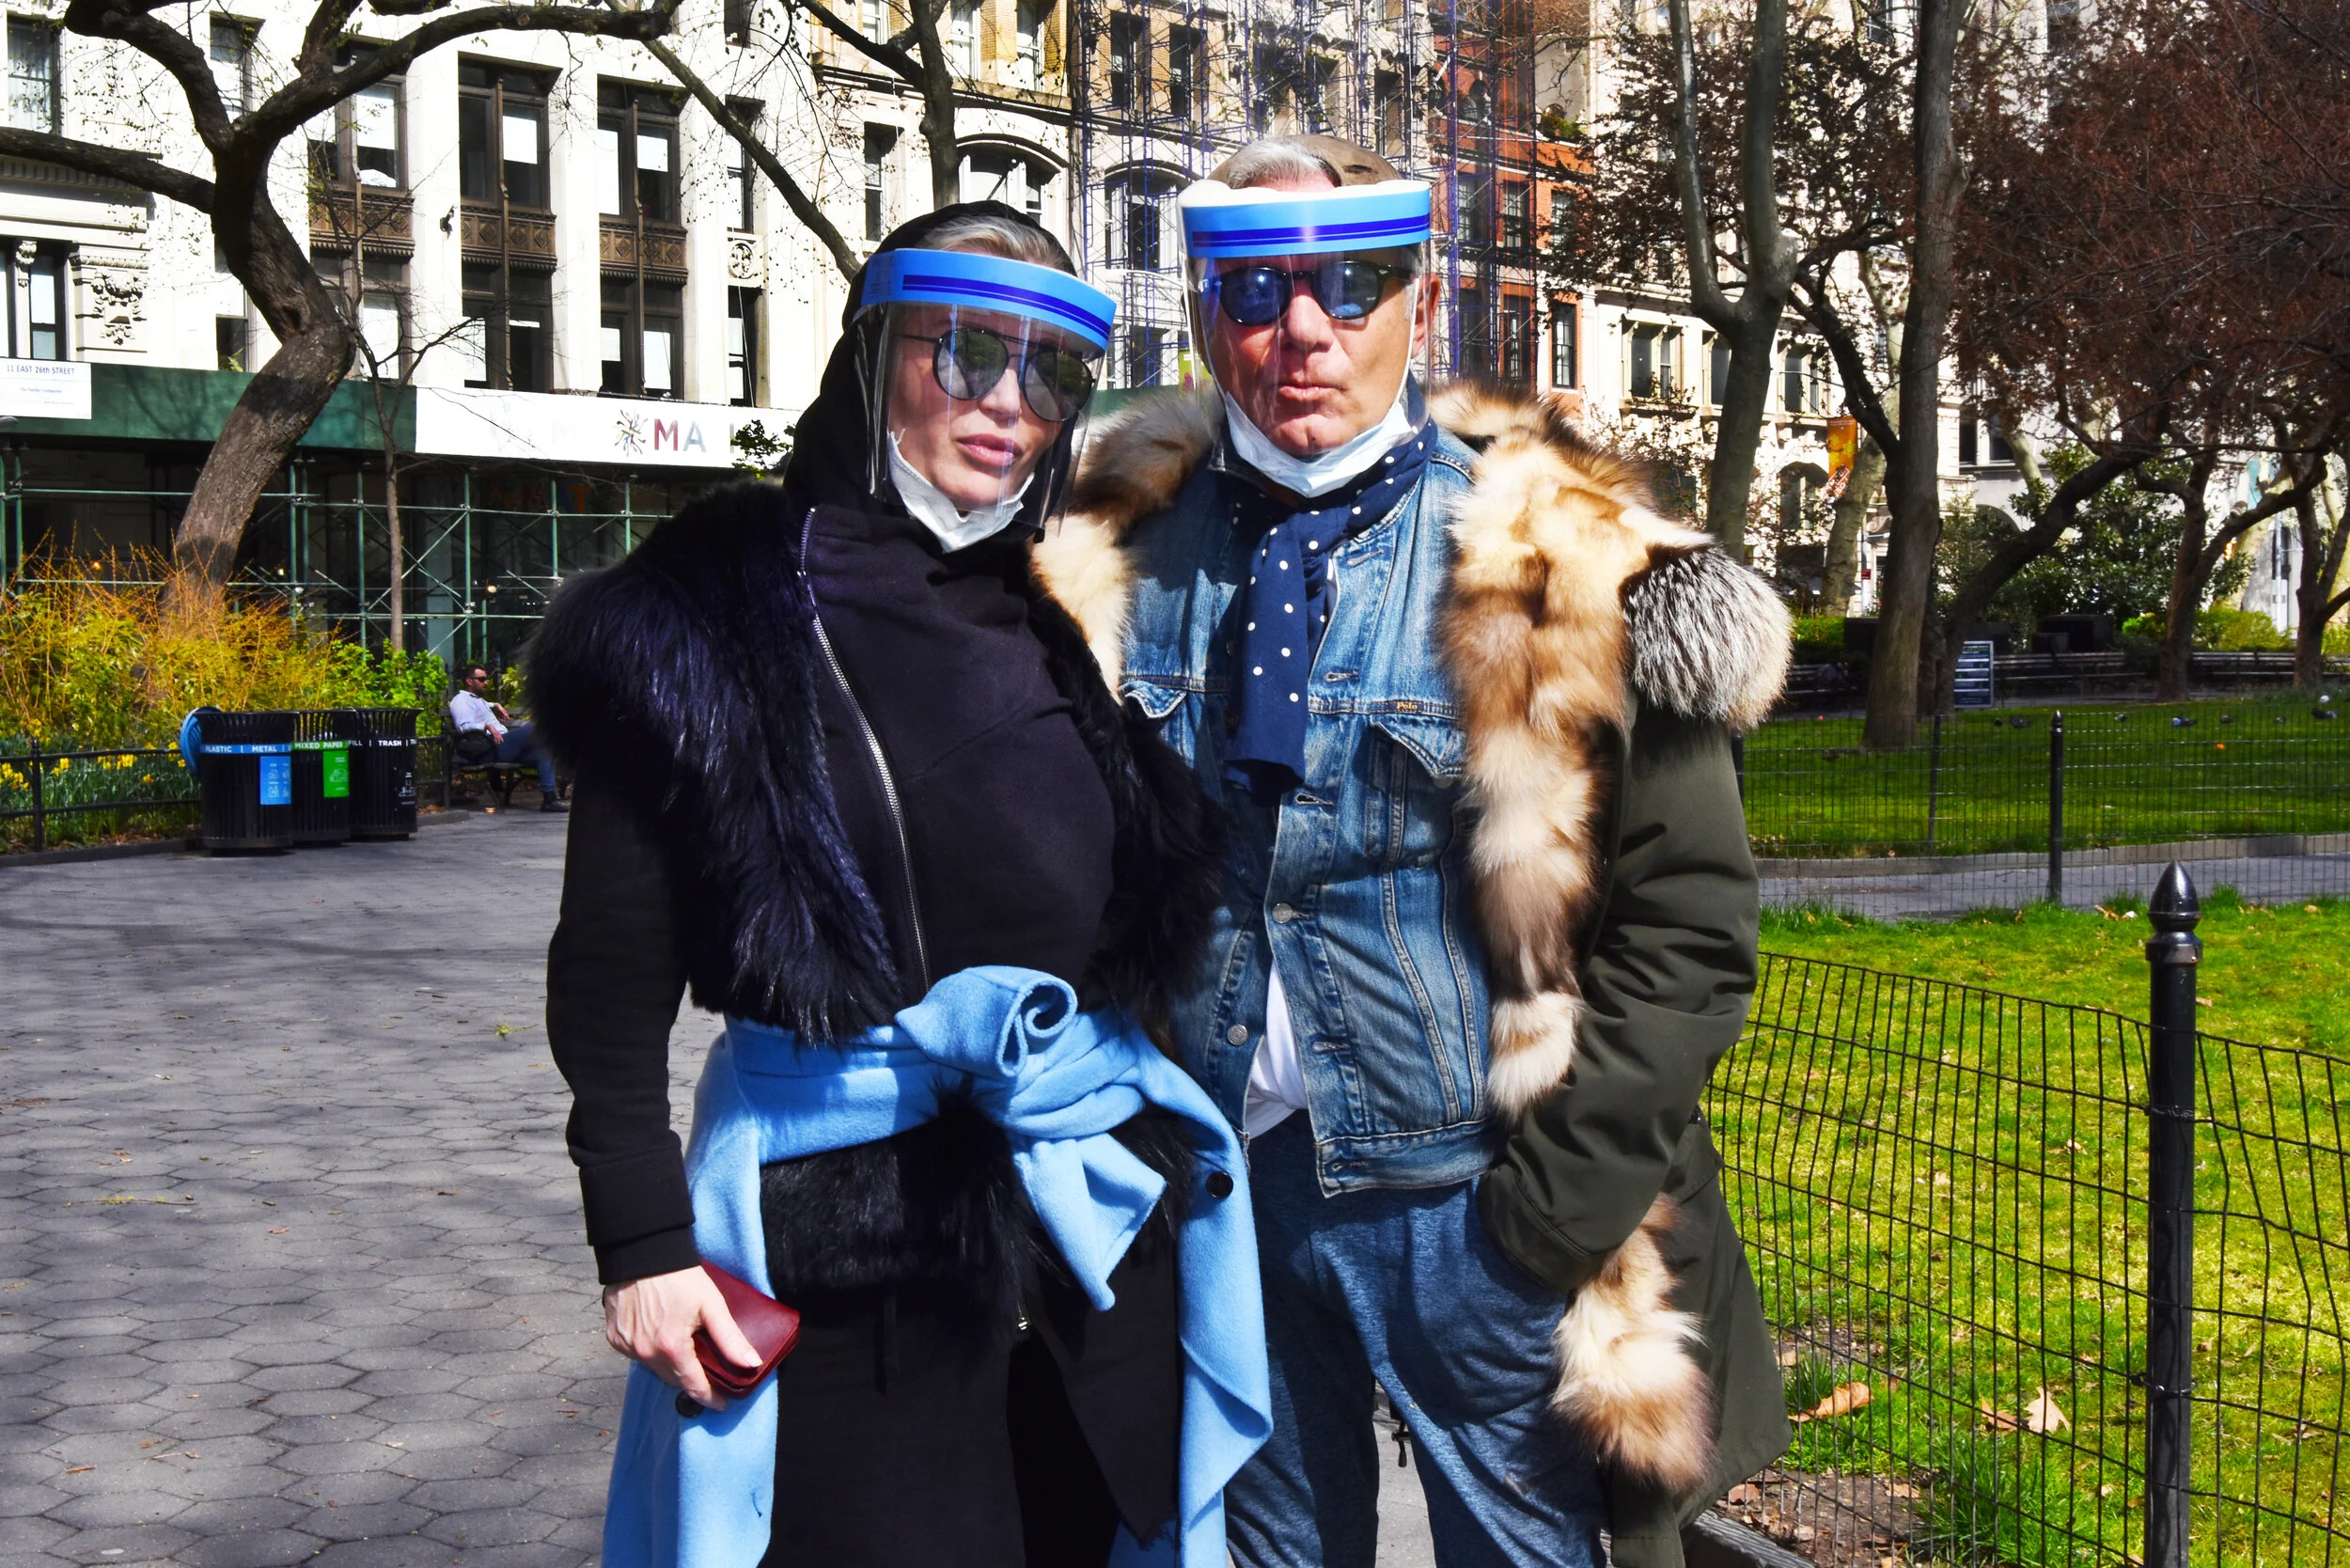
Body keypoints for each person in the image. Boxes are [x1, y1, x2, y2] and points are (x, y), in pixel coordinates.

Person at [1037, 134, 1794, 1568]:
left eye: (1351, 284)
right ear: (1204, 315)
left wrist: (1553, 1209)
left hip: (1477, 1211)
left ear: (1421, 302)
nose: (1302, 332)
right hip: (1227, 1204)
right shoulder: (1115, 553)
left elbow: (1689, 927)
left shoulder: (1553, 560)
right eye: (1256, 291)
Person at [528, 202, 1269, 1568]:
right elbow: (610, 964)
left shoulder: (1040, 613)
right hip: (858, 1265)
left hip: (1085, 1246)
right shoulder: (702, 608)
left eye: (1050, 370)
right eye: (968, 351)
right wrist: (639, 1241)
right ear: (876, 354)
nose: (1008, 402)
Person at [447, 662, 565, 812]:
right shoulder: (461, 701)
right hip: (489, 749)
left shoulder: (476, 699)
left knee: (543, 751)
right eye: (482, 679)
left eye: (486, 679)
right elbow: (463, 726)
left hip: (501, 745)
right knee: (535, 728)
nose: (486, 682)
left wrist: (495, 705)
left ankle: (549, 800)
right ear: (469, 681)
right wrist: (486, 726)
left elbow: (482, 706)